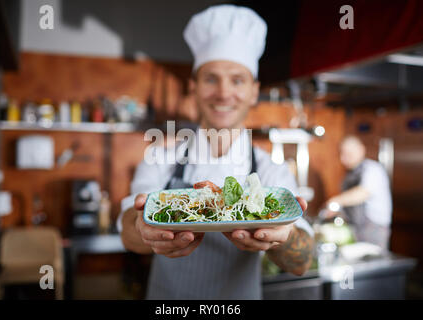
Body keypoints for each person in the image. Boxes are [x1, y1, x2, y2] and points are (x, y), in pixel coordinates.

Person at [118, 4, 315, 299]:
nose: (223, 93)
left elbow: (301, 262)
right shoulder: (161, 159)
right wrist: (142, 227)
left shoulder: (271, 170)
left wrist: (281, 237)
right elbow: (128, 233)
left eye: (237, 80)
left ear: (253, 90)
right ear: (193, 87)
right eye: (211, 78)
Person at [324, 135, 392, 250]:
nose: (342, 159)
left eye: (348, 154)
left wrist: (336, 201)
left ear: (361, 149)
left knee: (373, 263)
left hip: (373, 229)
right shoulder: (348, 175)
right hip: (355, 228)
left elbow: (362, 193)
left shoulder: (372, 169)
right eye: (341, 154)